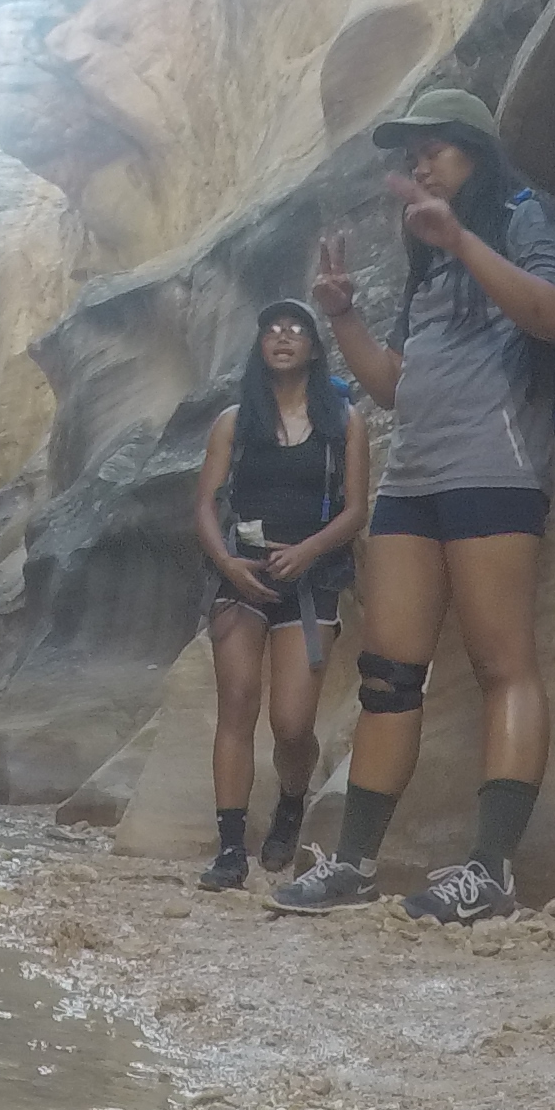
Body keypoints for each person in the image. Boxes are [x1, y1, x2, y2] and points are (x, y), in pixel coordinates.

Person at [268, 88, 555, 925]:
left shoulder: (524, 214)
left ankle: (492, 871)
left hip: (496, 467)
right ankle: (354, 864)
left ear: (477, 150)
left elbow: (552, 315)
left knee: (501, 665)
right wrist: (343, 317)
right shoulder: (431, 259)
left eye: (435, 146)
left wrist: (462, 239)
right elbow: (392, 386)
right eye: (411, 151)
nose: (419, 161)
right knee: (389, 675)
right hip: (415, 478)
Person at [187, 299, 373, 889]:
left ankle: (291, 801)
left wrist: (308, 551)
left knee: (292, 724)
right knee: (237, 706)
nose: (283, 336)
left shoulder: (344, 423)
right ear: (260, 348)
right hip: (241, 578)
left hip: (310, 583)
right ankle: (230, 848)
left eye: (295, 329)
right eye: (271, 329)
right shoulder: (234, 423)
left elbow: (354, 510)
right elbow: (205, 505)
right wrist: (227, 565)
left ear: (314, 349)